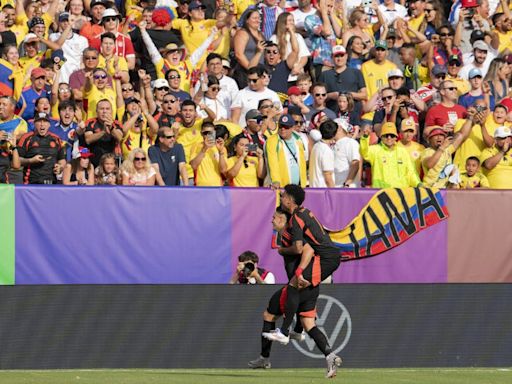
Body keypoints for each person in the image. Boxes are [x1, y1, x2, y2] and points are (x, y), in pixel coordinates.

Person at [360, 122, 421, 188]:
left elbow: (410, 172)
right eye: (386, 135)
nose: (389, 138)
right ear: (381, 136)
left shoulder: (402, 152)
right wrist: (365, 137)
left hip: (400, 192)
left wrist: (418, 184)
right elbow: (364, 152)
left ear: (396, 137)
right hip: (381, 192)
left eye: (392, 135)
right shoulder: (375, 150)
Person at [17, 112, 66, 184]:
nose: (42, 124)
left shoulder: (57, 139)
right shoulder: (26, 138)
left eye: (45, 121)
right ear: (34, 123)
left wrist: (60, 167)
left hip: (51, 181)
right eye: (39, 121)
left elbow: (62, 160)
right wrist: (31, 161)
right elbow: (17, 161)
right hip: (30, 182)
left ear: (49, 125)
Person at [319, 45, 367, 116]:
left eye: (341, 55)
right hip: (332, 114)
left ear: (346, 56)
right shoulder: (325, 75)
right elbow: (317, 97)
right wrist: (330, 95)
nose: (339, 58)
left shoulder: (356, 73)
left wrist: (348, 95)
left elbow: (364, 95)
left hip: (353, 115)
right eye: (336, 56)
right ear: (332, 57)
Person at [264, 114, 307, 188]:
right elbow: (273, 163)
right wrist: (276, 181)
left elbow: (303, 161)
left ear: (292, 127)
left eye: (286, 127)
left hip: (298, 187)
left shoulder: (299, 139)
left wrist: (304, 183)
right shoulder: (272, 141)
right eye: (281, 126)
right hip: (280, 187)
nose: (283, 129)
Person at [189, 121, 228, 186]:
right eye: (205, 133)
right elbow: (193, 166)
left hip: (217, 186)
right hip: (200, 186)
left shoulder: (221, 147)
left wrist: (221, 152)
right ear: (201, 133)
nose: (208, 135)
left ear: (215, 133)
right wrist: (204, 148)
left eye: (210, 133)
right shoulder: (196, 146)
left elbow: (223, 170)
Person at [308, 119, 336, 188]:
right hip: (323, 192)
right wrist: (333, 193)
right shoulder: (326, 150)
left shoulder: (316, 146)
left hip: (314, 189)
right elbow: (328, 175)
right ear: (334, 135)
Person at [333, 118, 360, 188]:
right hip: (335, 188)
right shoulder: (332, 144)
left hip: (347, 189)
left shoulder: (351, 142)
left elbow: (355, 164)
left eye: (333, 127)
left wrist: (347, 184)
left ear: (339, 127)